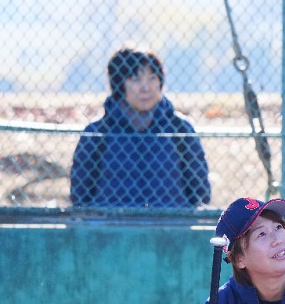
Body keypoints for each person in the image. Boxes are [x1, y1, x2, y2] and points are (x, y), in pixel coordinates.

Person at [70, 48, 211, 208]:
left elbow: (200, 192)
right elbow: (80, 194)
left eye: (152, 78)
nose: (146, 87)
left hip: (171, 226)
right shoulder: (98, 132)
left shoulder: (180, 129)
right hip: (108, 228)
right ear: (119, 85)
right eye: (135, 79)